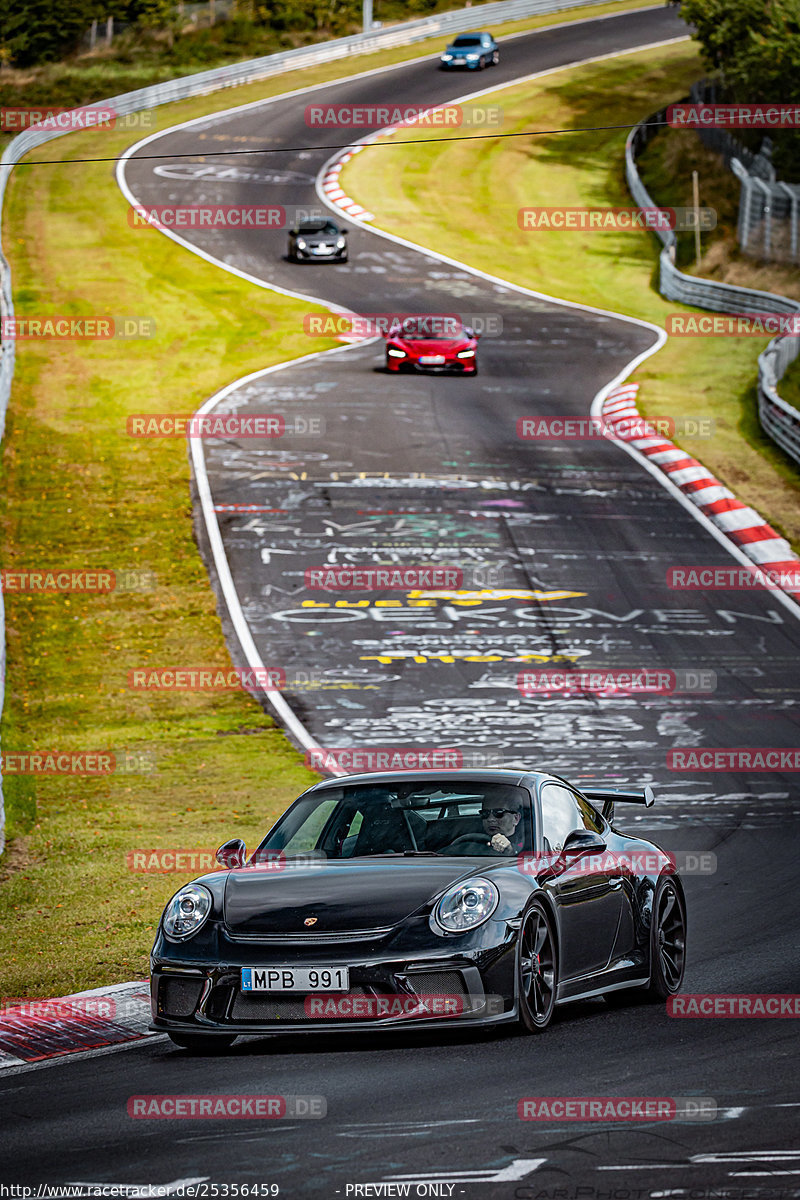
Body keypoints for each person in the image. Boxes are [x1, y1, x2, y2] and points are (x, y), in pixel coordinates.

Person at [441, 796, 524, 856]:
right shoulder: (469, 841)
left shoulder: (527, 844)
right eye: (485, 813)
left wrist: (510, 851)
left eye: (498, 813)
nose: (490, 819)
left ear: (516, 818)